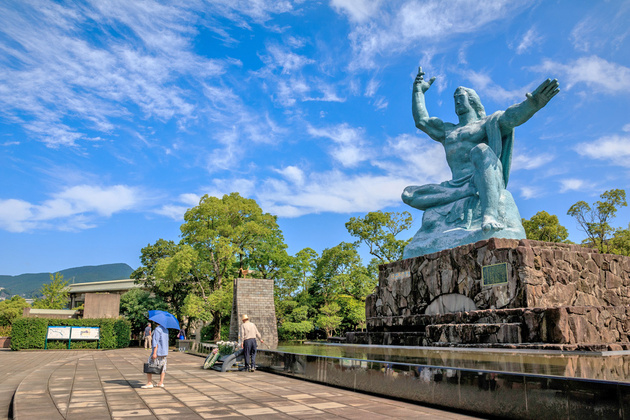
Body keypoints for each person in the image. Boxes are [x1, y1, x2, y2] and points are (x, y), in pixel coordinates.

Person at [402, 67, 559, 233]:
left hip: (482, 176)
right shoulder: (447, 131)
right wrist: (418, 93)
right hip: (455, 185)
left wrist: (531, 105)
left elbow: (511, 117)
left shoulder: (487, 123)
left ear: (472, 100)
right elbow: (422, 121)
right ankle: (464, 192)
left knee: (481, 150)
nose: (456, 101)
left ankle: (489, 214)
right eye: (454, 98)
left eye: (460, 97)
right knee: (409, 194)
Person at [142, 322, 168, 388]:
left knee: (149, 364)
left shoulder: (157, 329)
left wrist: (154, 353)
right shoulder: (166, 329)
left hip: (158, 351)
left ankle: (149, 382)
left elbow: (156, 342)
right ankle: (161, 382)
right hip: (164, 352)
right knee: (163, 366)